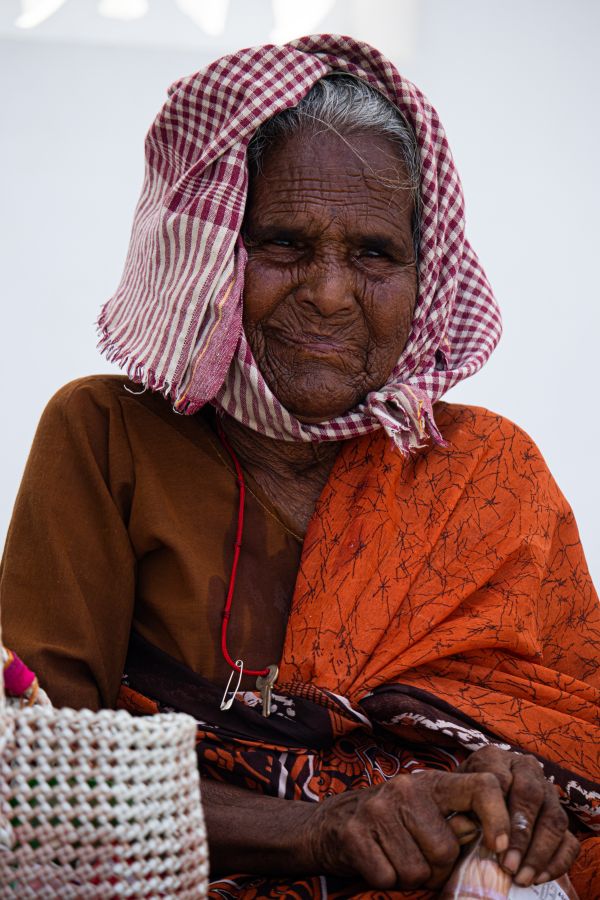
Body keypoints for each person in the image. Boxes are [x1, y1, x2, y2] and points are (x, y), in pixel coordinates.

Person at [1, 35, 599, 899]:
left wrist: (523, 800)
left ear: (423, 276)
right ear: (211, 258)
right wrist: (323, 826)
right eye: (282, 244)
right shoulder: (105, 436)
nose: (327, 291)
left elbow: (571, 745)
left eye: (373, 254)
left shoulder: (489, 474)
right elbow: (38, 777)